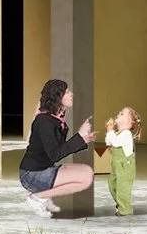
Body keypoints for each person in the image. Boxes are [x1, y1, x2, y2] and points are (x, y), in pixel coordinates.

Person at [19, 77, 95, 216]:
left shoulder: (55, 118)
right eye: (66, 92)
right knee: (85, 178)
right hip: (32, 175)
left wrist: (83, 140)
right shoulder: (44, 122)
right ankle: (38, 197)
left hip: (43, 168)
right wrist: (79, 136)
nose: (71, 94)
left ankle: (43, 196)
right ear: (57, 98)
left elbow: (59, 148)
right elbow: (55, 154)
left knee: (88, 171)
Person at [103, 105, 141, 215]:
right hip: (117, 166)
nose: (118, 113)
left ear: (130, 123)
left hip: (125, 167)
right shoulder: (117, 133)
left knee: (123, 188)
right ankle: (120, 204)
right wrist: (109, 130)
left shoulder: (127, 134)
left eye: (122, 113)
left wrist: (110, 131)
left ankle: (125, 209)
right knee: (112, 184)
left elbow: (115, 142)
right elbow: (109, 142)